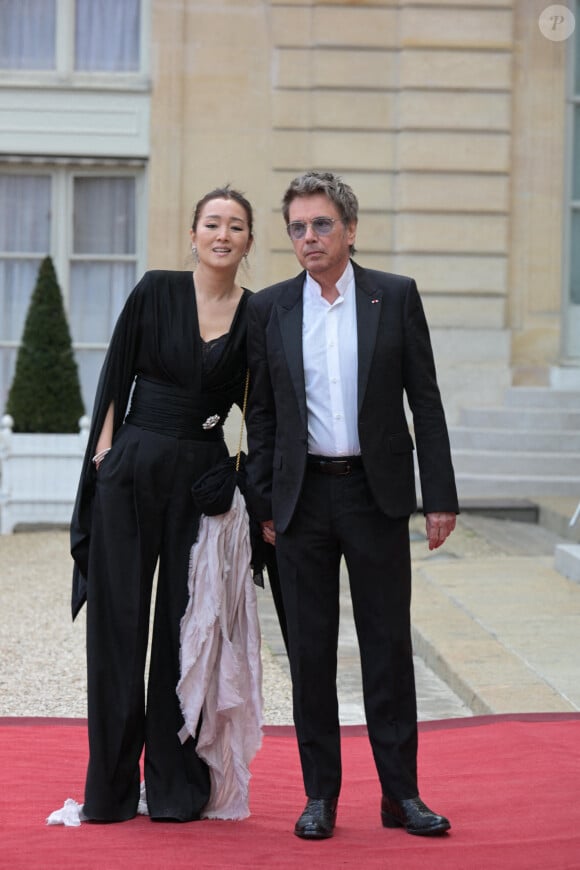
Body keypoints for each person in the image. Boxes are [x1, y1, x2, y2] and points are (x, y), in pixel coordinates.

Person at [245, 171, 459, 840]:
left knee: (387, 648)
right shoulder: (271, 308)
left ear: (351, 229)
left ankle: (401, 796)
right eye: (298, 228)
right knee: (310, 652)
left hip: (376, 495)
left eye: (321, 224)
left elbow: (423, 400)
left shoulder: (393, 298)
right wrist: (265, 501)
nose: (309, 237)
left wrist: (440, 498)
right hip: (302, 500)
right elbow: (261, 413)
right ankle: (320, 798)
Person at [70, 185, 270, 823]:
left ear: (247, 241)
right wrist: (103, 458)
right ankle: (110, 790)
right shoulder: (155, 290)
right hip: (130, 471)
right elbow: (115, 375)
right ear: (193, 234)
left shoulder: (257, 314)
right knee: (118, 628)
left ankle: (176, 786)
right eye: (212, 222)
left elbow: (261, 409)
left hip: (201, 486)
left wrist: (245, 483)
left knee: (188, 632)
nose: (222, 233)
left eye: (235, 226)